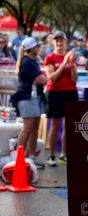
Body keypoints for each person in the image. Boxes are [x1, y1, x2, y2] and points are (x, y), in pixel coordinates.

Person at [10, 37, 47, 169]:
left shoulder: (31, 61)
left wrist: (42, 79)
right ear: (31, 49)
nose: (39, 48)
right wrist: (43, 78)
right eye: (37, 46)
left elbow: (41, 79)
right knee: (27, 129)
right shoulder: (28, 62)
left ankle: (30, 158)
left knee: (33, 129)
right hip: (27, 98)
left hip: (33, 98)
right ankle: (19, 159)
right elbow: (41, 79)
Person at [43, 31, 78, 166]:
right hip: (55, 93)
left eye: (61, 40)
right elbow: (52, 78)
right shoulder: (50, 58)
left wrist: (73, 65)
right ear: (53, 42)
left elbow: (74, 79)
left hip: (70, 92)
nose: (59, 43)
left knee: (68, 124)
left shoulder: (71, 57)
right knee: (56, 124)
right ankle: (52, 155)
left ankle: (64, 154)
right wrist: (64, 63)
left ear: (65, 42)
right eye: (56, 41)